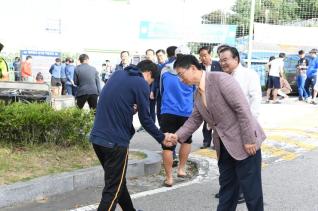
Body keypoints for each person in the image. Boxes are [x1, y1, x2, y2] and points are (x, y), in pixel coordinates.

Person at [172, 54, 266, 211]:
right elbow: (194, 120)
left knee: (251, 191)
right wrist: (177, 136)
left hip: (244, 143)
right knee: (227, 190)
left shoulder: (220, 79)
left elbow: (242, 109)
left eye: (181, 74)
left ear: (193, 68)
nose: (181, 80)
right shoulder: (198, 94)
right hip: (224, 147)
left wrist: (249, 139)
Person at [89, 60, 177, 211]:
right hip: (115, 143)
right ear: (149, 74)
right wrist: (162, 137)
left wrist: (130, 109)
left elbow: (114, 103)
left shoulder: (117, 74)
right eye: (151, 82)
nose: (149, 86)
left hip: (97, 138)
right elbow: (146, 119)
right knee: (113, 190)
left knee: (118, 182)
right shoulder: (140, 83)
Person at [160, 45, 195, 187]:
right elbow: (195, 92)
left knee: (167, 145)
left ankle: (169, 178)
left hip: (168, 110)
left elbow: (161, 91)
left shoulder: (165, 69)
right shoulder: (191, 71)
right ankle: (181, 169)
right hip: (186, 111)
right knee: (186, 141)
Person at [198, 46, 222, 149]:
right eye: (201, 56)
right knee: (206, 119)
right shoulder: (198, 67)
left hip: (216, 96)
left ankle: (217, 142)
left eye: (205, 55)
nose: (203, 58)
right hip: (203, 95)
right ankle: (206, 141)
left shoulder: (218, 65)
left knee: (217, 120)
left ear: (210, 54)